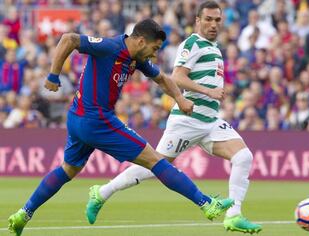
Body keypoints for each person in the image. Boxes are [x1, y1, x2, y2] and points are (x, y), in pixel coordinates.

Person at [7, 19, 234, 236]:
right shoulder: (109, 47)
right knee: (155, 160)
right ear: (141, 41)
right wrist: (53, 75)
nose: (155, 54)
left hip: (78, 118)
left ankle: (23, 214)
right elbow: (69, 39)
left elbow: (163, 79)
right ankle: (206, 203)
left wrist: (180, 99)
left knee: (69, 169)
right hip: (96, 120)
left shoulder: (136, 58)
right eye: (154, 48)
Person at [86, 1, 262, 234]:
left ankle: (234, 216)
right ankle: (102, 193)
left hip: (209, 121)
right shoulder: (193, 43)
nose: (213, 24)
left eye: (217, 20)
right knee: (154, 166)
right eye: (208, 19)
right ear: (197, 20)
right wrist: (208, 91)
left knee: (243, 157)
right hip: (187, 121)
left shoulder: (214, 47)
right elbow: (177, 77)